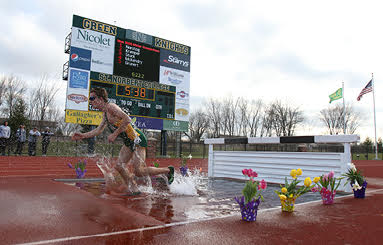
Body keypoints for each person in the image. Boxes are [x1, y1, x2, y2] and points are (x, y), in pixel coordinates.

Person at [71, 87, 174, 195]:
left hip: (137, 139)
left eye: (92, 98)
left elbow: (127, 119)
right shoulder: (105, 114)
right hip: (128, 142)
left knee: (139, 171)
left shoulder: (111, 107)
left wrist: (115, 134)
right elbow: (98, 130)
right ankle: (134, 188)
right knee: (119, 166)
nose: (90, 101)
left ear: (100, 99)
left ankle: (168, 170)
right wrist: (82, 135)